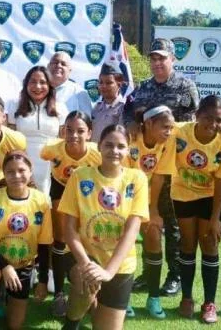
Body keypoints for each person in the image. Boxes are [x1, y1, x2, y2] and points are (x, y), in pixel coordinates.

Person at [150, 95, 221, 323]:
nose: (213, 124)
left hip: (210, 198)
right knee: (187, 245)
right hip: (183, 196)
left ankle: (209, 303)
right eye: (208, 117)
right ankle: (187, 298)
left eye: (219, 120)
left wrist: (216, 219)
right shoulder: (179, 133)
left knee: (209, 245)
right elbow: (156, 127)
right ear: (197, 115)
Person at [123, 37, 199, 296]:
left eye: (162, 58)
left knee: (172, 224)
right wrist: (131, 123)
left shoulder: (185, 86)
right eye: (153, 58)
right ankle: (149, 273)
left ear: (172, 59)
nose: (157, 62)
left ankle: (174, 275)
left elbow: (190, 123)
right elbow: (128, 112)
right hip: (147, 167)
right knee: (148, 223)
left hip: (175, 166)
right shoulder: (142, 87)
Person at [60, 124, 149, 330]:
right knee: (86, 281)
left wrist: (108, 272)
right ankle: (71, 324)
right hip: (84, 255)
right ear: (99, 146)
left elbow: (132, 231)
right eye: (109, 145)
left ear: (128, 149)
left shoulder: (137, 179)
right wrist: (87, 265)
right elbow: (69, 230)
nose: (114, 151)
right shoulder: (80, 176)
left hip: (119, 264)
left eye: (121, 146)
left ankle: (94, 304)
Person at [0, 151, 53, 330]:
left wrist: (43, 281)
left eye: (21, 170)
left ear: (30, 171)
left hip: (23, 263)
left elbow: (44, 244)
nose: (16, 176)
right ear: (3, 173)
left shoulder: (41, 201)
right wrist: (5, 267)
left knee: (15, 326)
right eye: (10, 172)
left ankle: (4, 294)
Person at [41, 111, 100, 316]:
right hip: (61, 189)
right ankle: (59, 294)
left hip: (86, 194)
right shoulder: (51, 149)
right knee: (59, 239)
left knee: (88, 237)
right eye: (69, 130)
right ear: (63, 131)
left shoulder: (97, 154)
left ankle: (92, 288)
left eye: (80, 131)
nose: (74, 135)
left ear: (89, 133)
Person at [127, 105, 176, 319]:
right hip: (124, 200)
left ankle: (153, 298)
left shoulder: (168, 143)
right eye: (165, 127)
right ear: (148, 124)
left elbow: (158, 177)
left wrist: (153, 210)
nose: (169, 131)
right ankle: (123, 299)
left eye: (171, 127)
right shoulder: (130, 138)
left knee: (154, 236)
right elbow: (122, 177)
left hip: (147, 201)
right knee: (124, 245)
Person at [13, 66, 68, 194]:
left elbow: (63, 139)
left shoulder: (60, 107)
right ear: (26, 84)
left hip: (51, 165)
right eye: (33, 81)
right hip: (22, 161)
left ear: (50, 85)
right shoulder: (14, 105)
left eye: (43, 82)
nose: (37, 87)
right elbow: (10, 138)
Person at [47, 51, 92, 115]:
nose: (58, 66)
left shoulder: (79, 93)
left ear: (69, 70)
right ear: (48, 66)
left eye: (63, 64)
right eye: (55, 62)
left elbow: (87, 119)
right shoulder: (38, 89)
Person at [92, 62, 125, 142]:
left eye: (109, 83)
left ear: (119, 84)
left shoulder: (124, 108)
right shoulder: (96, 108)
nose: (103, 86)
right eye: (101, 82)